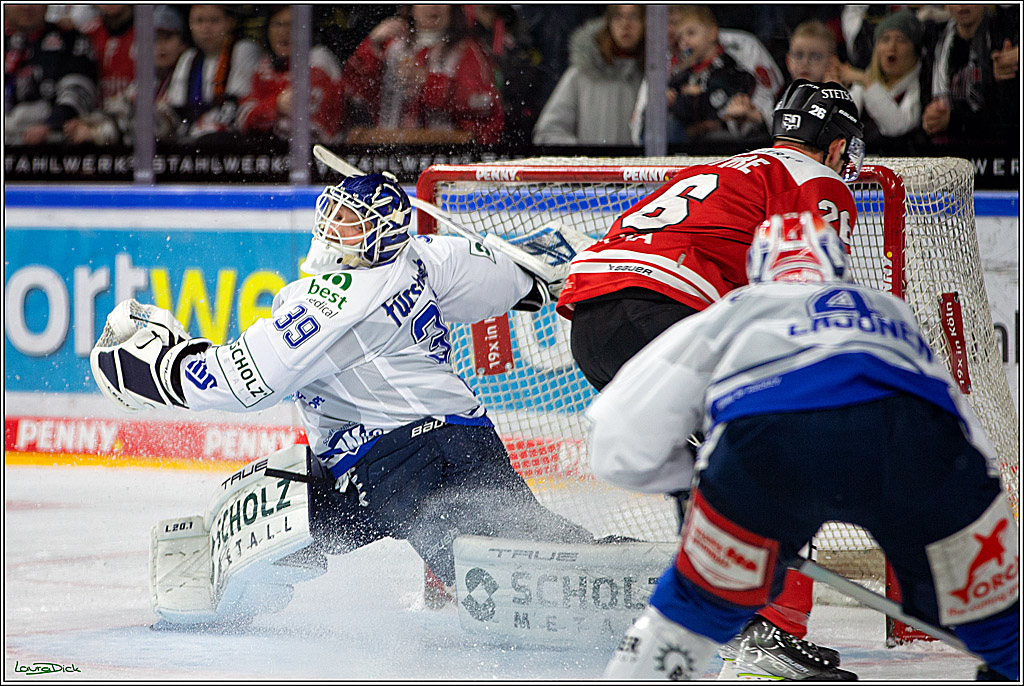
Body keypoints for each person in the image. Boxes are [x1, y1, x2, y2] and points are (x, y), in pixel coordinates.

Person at [89, 171, 594, 596]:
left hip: (412, 461)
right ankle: (220, 582)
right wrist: (533, 276)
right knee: (283, 497)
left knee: (503, 581)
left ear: (382, 236)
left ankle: (616, 592)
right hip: (417, 453)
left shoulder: (335, 297)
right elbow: (498, 275)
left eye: (350, 224)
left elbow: (246, 380)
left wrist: (154, 366)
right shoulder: (423, 256)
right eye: (332, 213)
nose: (332, 229)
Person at [591, 212, 1020, 681]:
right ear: (839, 265)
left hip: (767, 445)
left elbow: (617, 438)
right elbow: (965, 430)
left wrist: (694, 487)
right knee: (1003, 627)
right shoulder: (888, 311)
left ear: (759, 268)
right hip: (914, 443)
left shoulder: (740, 306)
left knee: (688, 617)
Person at [556, 80, 865, 680]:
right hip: (659, 316)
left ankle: (714, 618)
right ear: (832, 146)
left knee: (714, 473)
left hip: (596, 325)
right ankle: (766, 634)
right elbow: (803, 293)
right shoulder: (816, 181)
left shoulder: (728, 168)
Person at [340, 5, 505, 144]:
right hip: (390, 153)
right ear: (410, 7)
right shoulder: (390, 46)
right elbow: (353, 94)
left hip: (446, 155)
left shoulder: (468, 51)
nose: (433, 6)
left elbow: (484, 102)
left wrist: (429, 83)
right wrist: (372, 44)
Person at [63, 5, 188, 146]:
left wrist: (97, 133)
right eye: (154, 39)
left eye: (167, 38)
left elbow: (160, 125)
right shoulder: (148, 81)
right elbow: (117, 107)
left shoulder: (186, 75)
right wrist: (88, 122)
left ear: (183, 44)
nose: (160, 47)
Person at [531, 5, 645, 146]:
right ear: (608, 22)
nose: (626, 24)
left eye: (634, 16)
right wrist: (584, 157)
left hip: (640, 167)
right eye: (618, 16)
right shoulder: (582, 73)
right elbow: (549, 132)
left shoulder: (656, 76)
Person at [236, 5, 343, 143]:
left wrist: (269, 109)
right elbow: (243, 119)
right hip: (274, 155)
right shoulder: (262, 66)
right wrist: (276, 104)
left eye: (292, 25)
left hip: (320, 153)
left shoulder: (319, 60)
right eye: (277, 25)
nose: (283, 32)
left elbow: (323, 123)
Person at [664, 6, 763, 144]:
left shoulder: (730, 68)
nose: (684, 41)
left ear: (712, 33)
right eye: (680, 37)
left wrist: (696, 95)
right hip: (689, 141)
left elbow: (722, 104)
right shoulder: (683, 74)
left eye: (691, 33)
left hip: (724, 141)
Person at [921, 4, 1019, 145]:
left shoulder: (1003, 36)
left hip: (996, 147)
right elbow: (927, 102)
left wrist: (953, 121)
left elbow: (1006, 118)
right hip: (953, 146)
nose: (962, 4)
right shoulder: (937, 42)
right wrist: (931, 118)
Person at [164, 4, 262, 143]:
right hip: (193, 137)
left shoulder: (243, 49)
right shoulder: (189, 57)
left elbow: (237, 102)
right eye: (199, 21)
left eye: (214, 21)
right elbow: (177, 108)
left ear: (230, 22)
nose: (206, 28)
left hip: (231, 140)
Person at [4, 3, 98, 145]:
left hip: (52, 144)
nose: (27, 7)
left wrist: (51, 124)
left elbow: (79, 90)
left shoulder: (69, 40)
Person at [843, 11, 930, 154]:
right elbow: (844, 123)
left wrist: (868, 81)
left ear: (915, 49)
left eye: (901, 39)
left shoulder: (920, 88)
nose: (892, 47)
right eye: (885, 39)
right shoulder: (862, 85)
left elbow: (897, 126)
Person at [785, 20, 843, 86]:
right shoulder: (785, 95)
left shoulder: (850, 94)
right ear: (788, 61)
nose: (805, 63)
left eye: (815, 57)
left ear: (831, 62)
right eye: (798, 56)